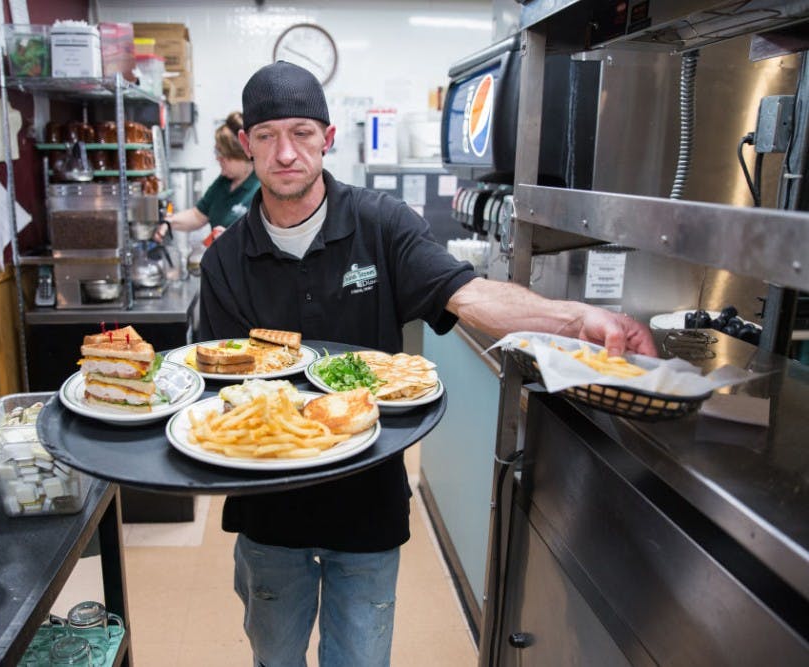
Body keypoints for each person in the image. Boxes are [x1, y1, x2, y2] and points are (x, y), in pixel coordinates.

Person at [198, 61, 657, 667]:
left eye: (302, 133)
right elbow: (219, 390)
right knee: (274, 659)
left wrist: (577, 320)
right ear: (248, 145)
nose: (286, 153)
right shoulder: (225, 261)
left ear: (327, 138)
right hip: (269, 511)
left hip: (366, 505)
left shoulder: (381, 226)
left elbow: (470, 295)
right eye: (267, 136)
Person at [155, 111, 259, 243]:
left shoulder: (260, 187)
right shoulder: (223, 182)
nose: (218, 158)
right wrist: (169, 222)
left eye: (223, 155)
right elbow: (197, 216)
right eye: (217, 152)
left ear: (242, 155)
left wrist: (232, 239)